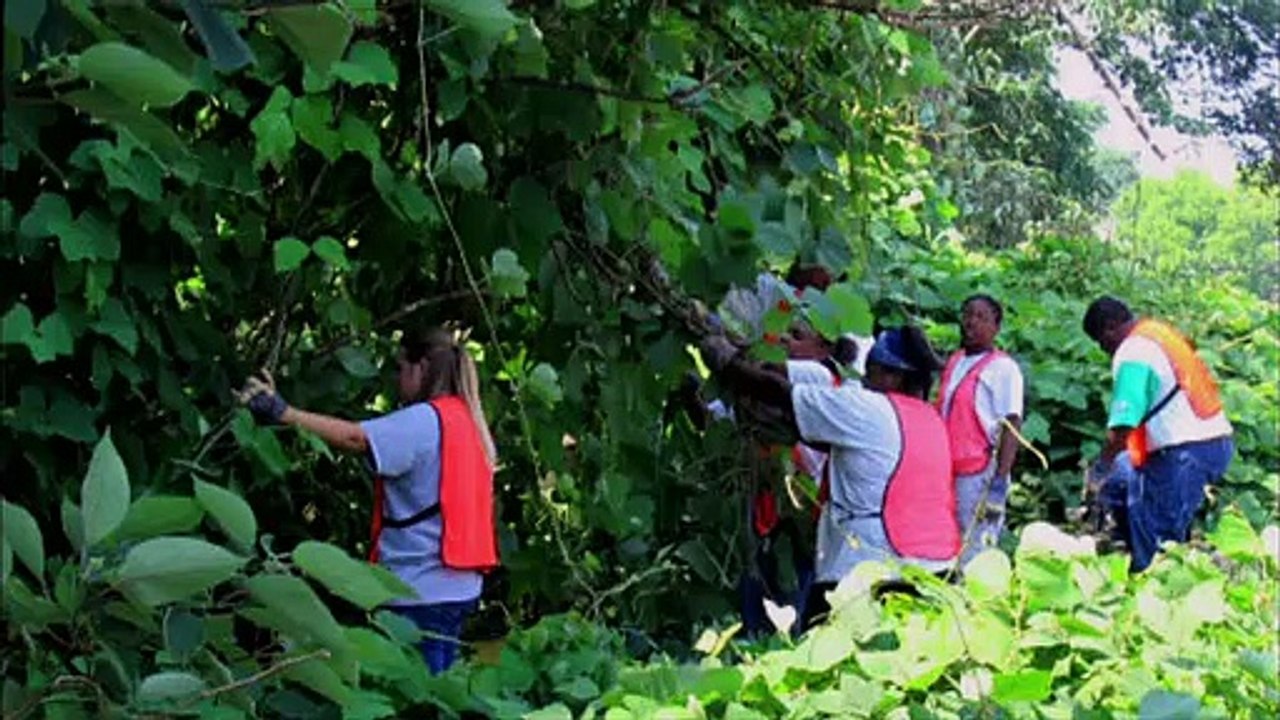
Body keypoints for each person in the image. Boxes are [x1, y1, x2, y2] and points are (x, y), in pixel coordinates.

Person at [236, 328, 499, 674]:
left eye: (399, 368)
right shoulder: (467, 422)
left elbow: (356, 438)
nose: (395, 379)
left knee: (412, 696)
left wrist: (283, 413)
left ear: (420, 368)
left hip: (419, 589)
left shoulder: (425, 420)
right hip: (457, 588)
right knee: (435, 694)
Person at [700, 325, 959, 628]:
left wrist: (730, 365)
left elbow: (783, 394)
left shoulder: (870, 407)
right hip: (936, 564)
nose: (864, 381)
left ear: (894, 376)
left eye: (872, 373)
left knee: (826, 654)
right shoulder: (931, 420)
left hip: (867, 563)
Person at [1082, 297, 1233, 572]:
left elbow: (1123, 424)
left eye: (1101, 341)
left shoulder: (1133, 352)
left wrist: (1100, 467)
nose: (1104, 350)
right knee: (1122, 478)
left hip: (1182, 452)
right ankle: (1120, 544)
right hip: (1211, 442)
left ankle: (1153, 587)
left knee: (1157, 539)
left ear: (1110, 328)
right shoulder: (1157, 333)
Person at [935, 294, 1024, 565]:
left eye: (981, 317)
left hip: (980, 473)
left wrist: (1000, 480)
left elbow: (1012, 424)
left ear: (996, 328)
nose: (971, 322)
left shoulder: (1003, 368)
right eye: (968, 314)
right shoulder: (956, 360)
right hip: (948, 468)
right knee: (948, 543)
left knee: (974, 548)